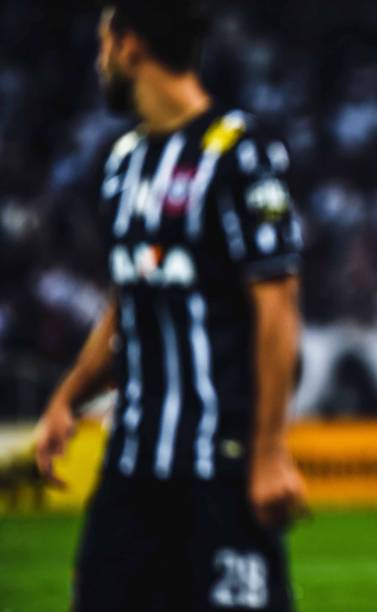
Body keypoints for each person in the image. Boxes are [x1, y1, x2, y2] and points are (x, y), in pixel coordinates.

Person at [33, 2, 305, 610]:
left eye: (104, 42)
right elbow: (128, 306)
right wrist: (68, 397)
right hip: (130, 470)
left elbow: (277, 305)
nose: (100, 58)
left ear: (130, 45)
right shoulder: (122, 164)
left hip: (222, 469)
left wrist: (268, 453)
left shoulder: (240, 150)